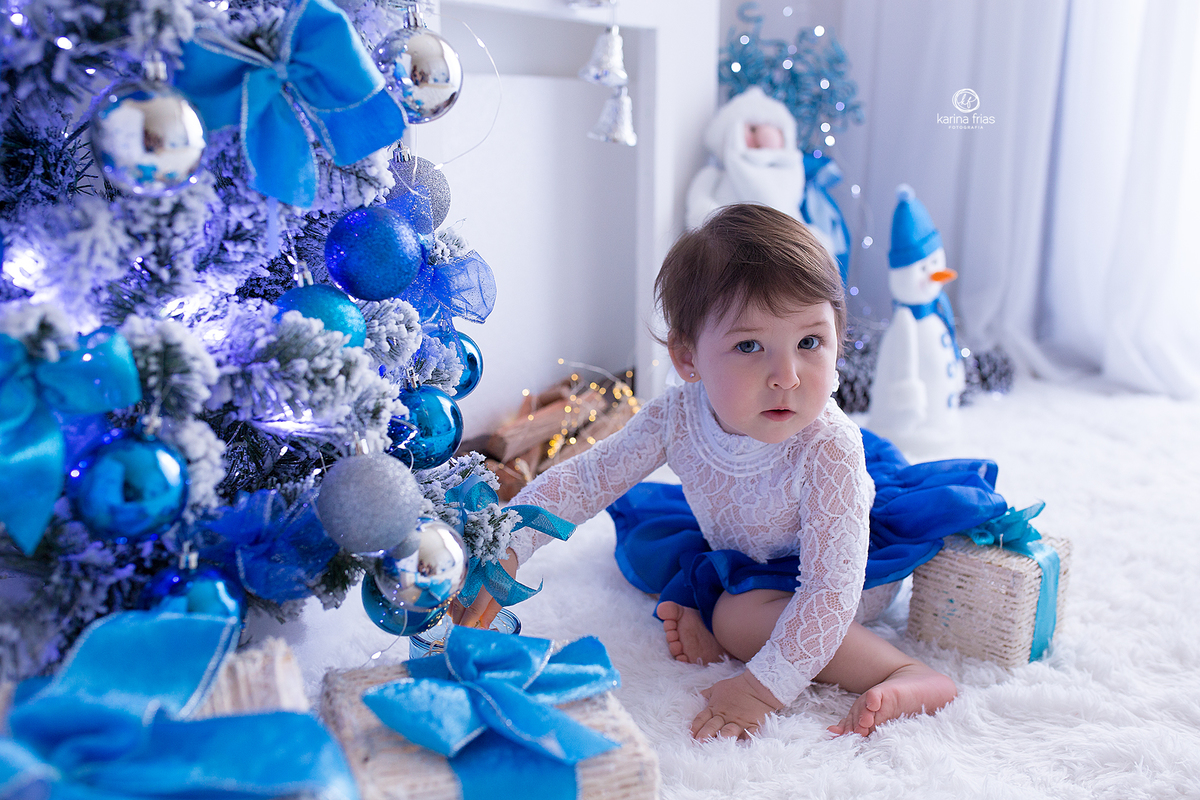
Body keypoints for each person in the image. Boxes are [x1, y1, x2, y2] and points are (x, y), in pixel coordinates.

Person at [458, 204, 958, 741]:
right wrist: (508, 547)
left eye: (809, 343)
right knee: (662, 556)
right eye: (749, 346)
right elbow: (586, 479)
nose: (786, 376)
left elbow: (829, 591)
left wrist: (762, 688)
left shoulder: (828, 447)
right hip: (753, 548)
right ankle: (723, 609)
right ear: (687, 357)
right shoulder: (676, 416)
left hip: (843, 569)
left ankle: (906, 671)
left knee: (736, 618)